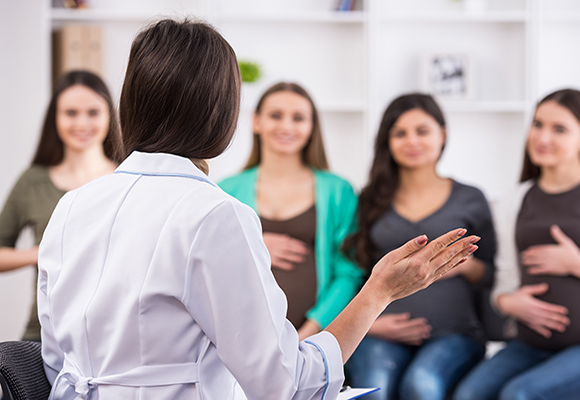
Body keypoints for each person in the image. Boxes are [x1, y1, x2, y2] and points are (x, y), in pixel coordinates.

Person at [37, 19, 479, 400]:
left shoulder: (72, 206)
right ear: (226, 114)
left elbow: (55, 360)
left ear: (129, 104)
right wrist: (379, 290)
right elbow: (283, 383)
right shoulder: (213, 213)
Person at [453, 89, 580, 400]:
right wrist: (508, 303)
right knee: (468, 394)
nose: (542, 136)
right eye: (538, 124)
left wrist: (578, 265)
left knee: (519, 394)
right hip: (530, 346)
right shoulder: (514, 200)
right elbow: (505, 282)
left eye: (559, 129)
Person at [344, 93, 496, 400]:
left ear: (443, 134)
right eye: (400, 133)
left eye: (422, 131)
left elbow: (495, 275)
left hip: (454, 334)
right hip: (380, 331)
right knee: (375, 388)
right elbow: (353, 272)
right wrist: (372, 324)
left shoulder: (471, 199)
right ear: (387, 141)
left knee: (422, 385)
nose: (411, 141)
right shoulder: (368, 201)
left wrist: (464, 266)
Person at [219, 82, 362, 340]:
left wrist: (308, 336)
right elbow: (207, 262)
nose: (286, 126)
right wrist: (253, 247)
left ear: (311, 127)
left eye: (298, 118)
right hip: (241, 342)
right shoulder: (226, 190)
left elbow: (348, 274)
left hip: (316, 341)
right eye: (275, 116)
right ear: (256, 121)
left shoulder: (339, 191)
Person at [0, 70, 120, 341]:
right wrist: (39, 253)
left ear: (109, 116)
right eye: (70, 113)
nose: (82, 123)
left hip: (114, 340)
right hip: (44, 336)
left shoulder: (128, 178)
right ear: (55, 118)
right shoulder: (32, 181)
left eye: (93, 112)